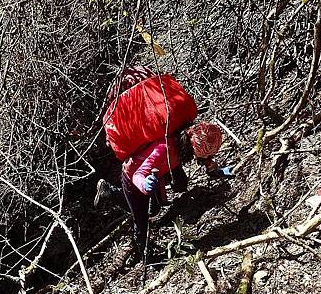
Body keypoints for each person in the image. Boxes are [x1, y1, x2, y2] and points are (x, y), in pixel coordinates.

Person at [95, 67, 233, 257]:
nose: (203, 159)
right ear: (194, 150)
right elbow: (138, 174)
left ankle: (145, 202)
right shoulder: (165, 150)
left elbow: (205, 159)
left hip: (155, 171)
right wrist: (144, 185)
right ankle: (142, 249)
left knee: (162, 200)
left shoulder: (185, 133)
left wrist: (220, 170)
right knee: (143, 217)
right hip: (133, 175)